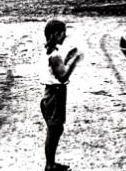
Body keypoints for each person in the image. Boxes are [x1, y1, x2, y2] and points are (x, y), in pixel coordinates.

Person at [40, 19, 83, 171]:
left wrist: (68, 59)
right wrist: (74, 62)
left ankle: (50, 163)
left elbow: (56, 70)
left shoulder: (51, 52)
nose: (65, 36)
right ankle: (50, 165)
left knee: (56, 129)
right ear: (56, 34)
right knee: (54, 130)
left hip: (51, 94)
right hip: (55, 95)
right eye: (63, 33)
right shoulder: (55, 56)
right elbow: (63, 77)